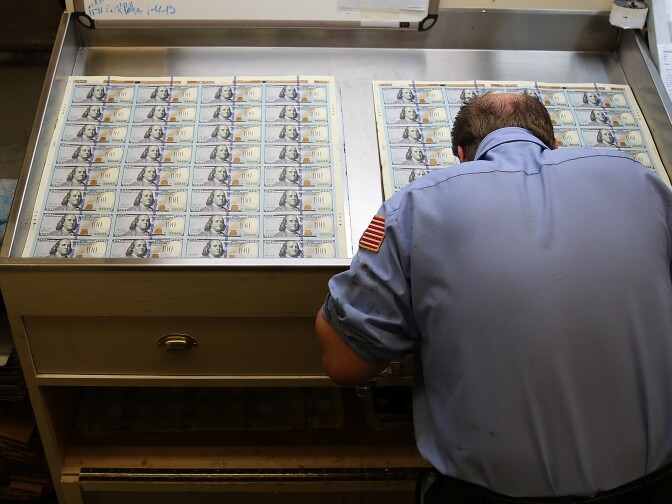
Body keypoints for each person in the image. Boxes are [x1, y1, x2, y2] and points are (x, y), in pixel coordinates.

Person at [316, 92, 672, 503]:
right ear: (555, 146)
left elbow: (344, 364)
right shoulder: (639, 180)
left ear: (462, 156)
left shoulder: (417, 204)